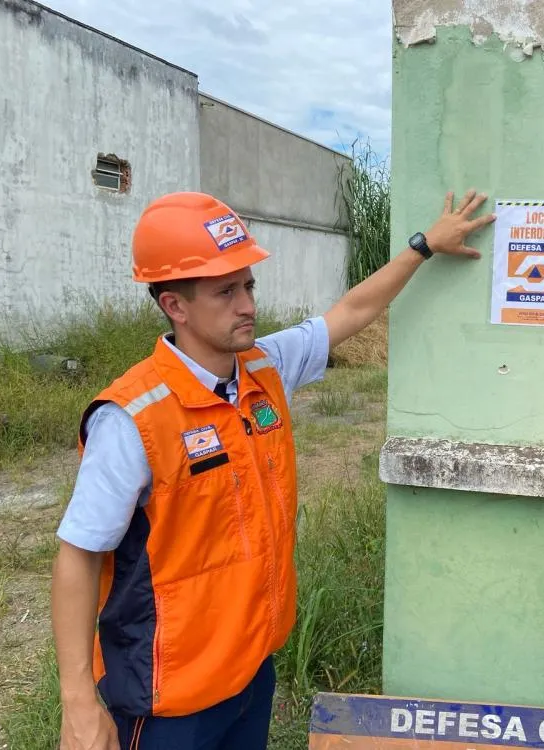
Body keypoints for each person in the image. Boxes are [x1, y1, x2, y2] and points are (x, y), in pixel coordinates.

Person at [51, 189, 495, 750]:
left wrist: (423, 247)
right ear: (175, 306)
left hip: (252, 671)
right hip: (170, 697)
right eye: (225, 291)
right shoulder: (133, 418)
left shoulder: (263, 366)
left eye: (248, 286)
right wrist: (78, 701)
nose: (247, 306)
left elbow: (350, 313)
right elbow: (79, 553)